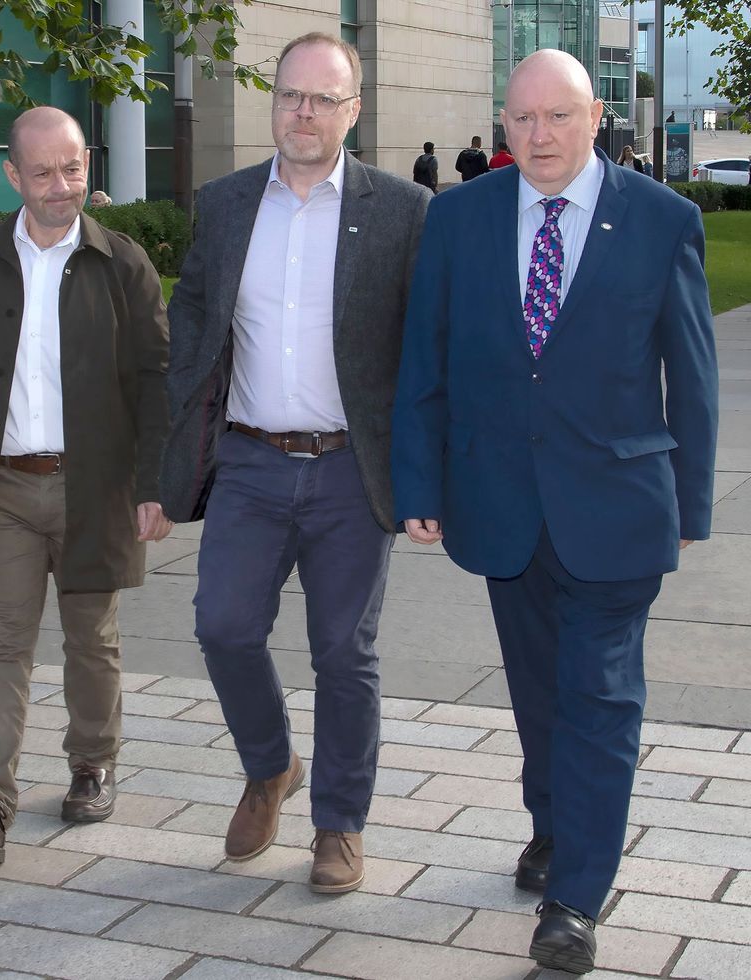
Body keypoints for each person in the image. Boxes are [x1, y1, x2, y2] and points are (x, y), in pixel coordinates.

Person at [391, 49, 717, 975]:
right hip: (500, 508)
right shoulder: (459, 217)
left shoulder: (661, 221)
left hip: (617, 510)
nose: (538, 136)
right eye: (522, 119)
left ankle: (575, 896)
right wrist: (418, 485)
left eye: (559, 117)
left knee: (600, 701)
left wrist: (691, 499)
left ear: (594, 120)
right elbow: (428, 359)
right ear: (504, 124)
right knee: (540, 696)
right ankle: (553, 829)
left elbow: (691, 377)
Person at [159, 32, 430, 895]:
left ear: (354, 111)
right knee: (223, 626)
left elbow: (427, 356)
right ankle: (271, 765)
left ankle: (340, 824)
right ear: (273, 103)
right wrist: (158, 473)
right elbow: (191, 337)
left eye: (323, 98)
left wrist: (427, 477)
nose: (302, 112)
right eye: (289, 96)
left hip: (352, 471)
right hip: (250, 461)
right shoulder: (226, 203)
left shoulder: (401, 211)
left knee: (343, 653)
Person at [0, 106, 172, 865]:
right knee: (1, 639)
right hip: (1, 488)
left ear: (87, 165)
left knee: (89, 636)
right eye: (43, 172)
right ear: (12, 176)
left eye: (73, 168)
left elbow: (157, 382)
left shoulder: (122, 262)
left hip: (93, 486)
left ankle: (92, 763)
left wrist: (155, 485)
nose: (61, 185)